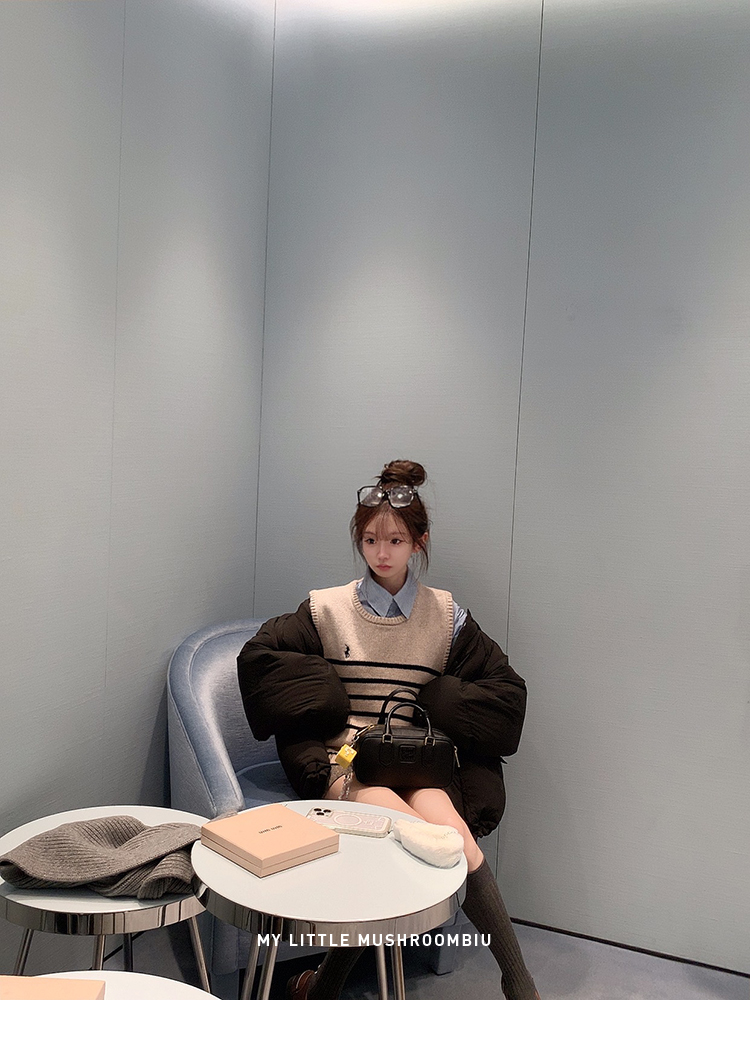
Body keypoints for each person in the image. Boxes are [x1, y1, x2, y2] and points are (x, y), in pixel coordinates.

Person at [237, 459, 538, 1000]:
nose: (382, 552)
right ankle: (326, 986)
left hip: (415, 760)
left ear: (418, 542)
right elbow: (260, 656)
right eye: (371, 540)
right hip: (350, 763)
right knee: (409, 835)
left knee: (455, 839)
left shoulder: (446, 615)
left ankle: (520, 987)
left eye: (395, 540)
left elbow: (503, 685)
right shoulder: (326, 608)